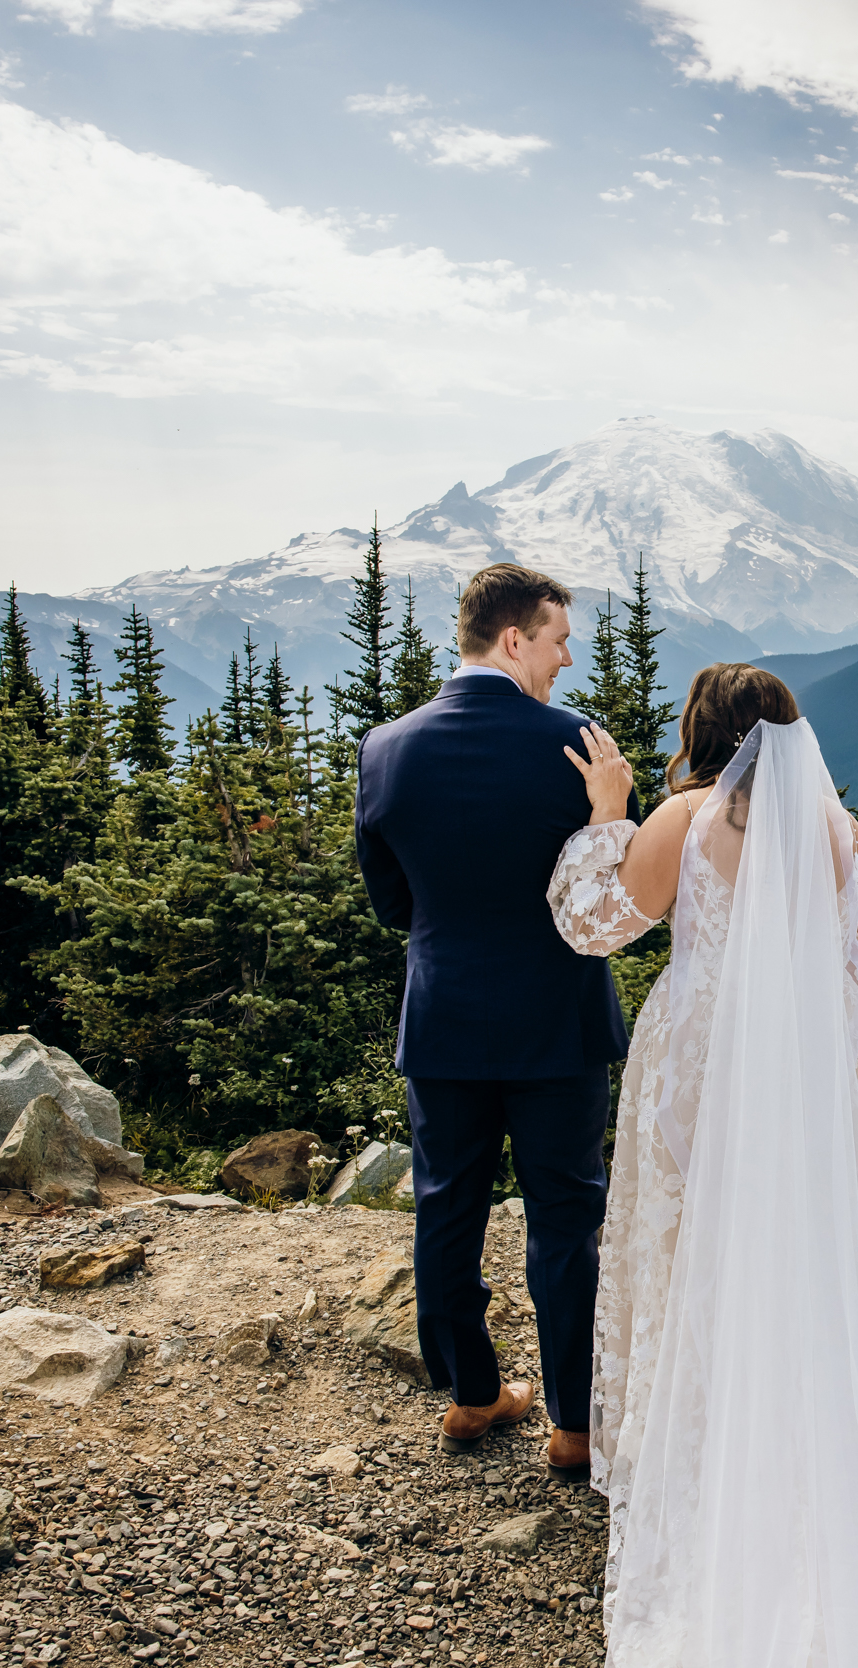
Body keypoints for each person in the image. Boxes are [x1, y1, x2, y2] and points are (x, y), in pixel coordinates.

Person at [550, 663, 858, 1667]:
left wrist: (605, 812)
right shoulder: (847, 842)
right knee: (800, 1280)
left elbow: (595, 926)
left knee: (696, 1267)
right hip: (806, 1089)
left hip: (700, 1074)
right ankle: (811, 1464)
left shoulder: (681, 819)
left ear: (701, 733)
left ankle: (713, 1464)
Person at [354, 562, 634, 1477]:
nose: (563, 661)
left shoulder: (385, 747)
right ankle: (574, 1424)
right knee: (564, 1216)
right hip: (556, 1024)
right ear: (515, 639)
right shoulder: (577, 745)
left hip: (441, 1018)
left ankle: (472, 1395)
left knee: (446, 1205)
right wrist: (609, 815)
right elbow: (605, 897)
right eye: (557, 642)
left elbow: (391, 902)